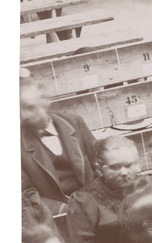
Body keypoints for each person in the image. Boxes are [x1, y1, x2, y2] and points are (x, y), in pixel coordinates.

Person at [67, 135, 141, 243]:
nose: (124, 172)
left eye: (129, 165)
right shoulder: (84, 201)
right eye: (115, 167)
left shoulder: (149, 186)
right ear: (99, 168)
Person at [21, 77, 96, 213]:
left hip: (94, 205)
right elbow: (25, 194)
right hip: (55, 217)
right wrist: (66, 210)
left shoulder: (74, 122)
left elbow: (97, 165)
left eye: (29, 108)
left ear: (46, 102)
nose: (22, 115)